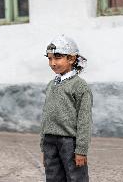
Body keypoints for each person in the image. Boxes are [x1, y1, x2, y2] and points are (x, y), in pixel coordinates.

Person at [40, 35, 93, 182]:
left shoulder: (79, 86)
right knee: (53, 177)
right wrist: (43, 145)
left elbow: (84, 119)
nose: (52, 63)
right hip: (50, 141)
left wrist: (81, 150)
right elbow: (46, 115)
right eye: (49, 58)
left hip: (70, 142)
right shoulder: (51, 85)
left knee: (76, 177)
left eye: (57, 58)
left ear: (71, 59)